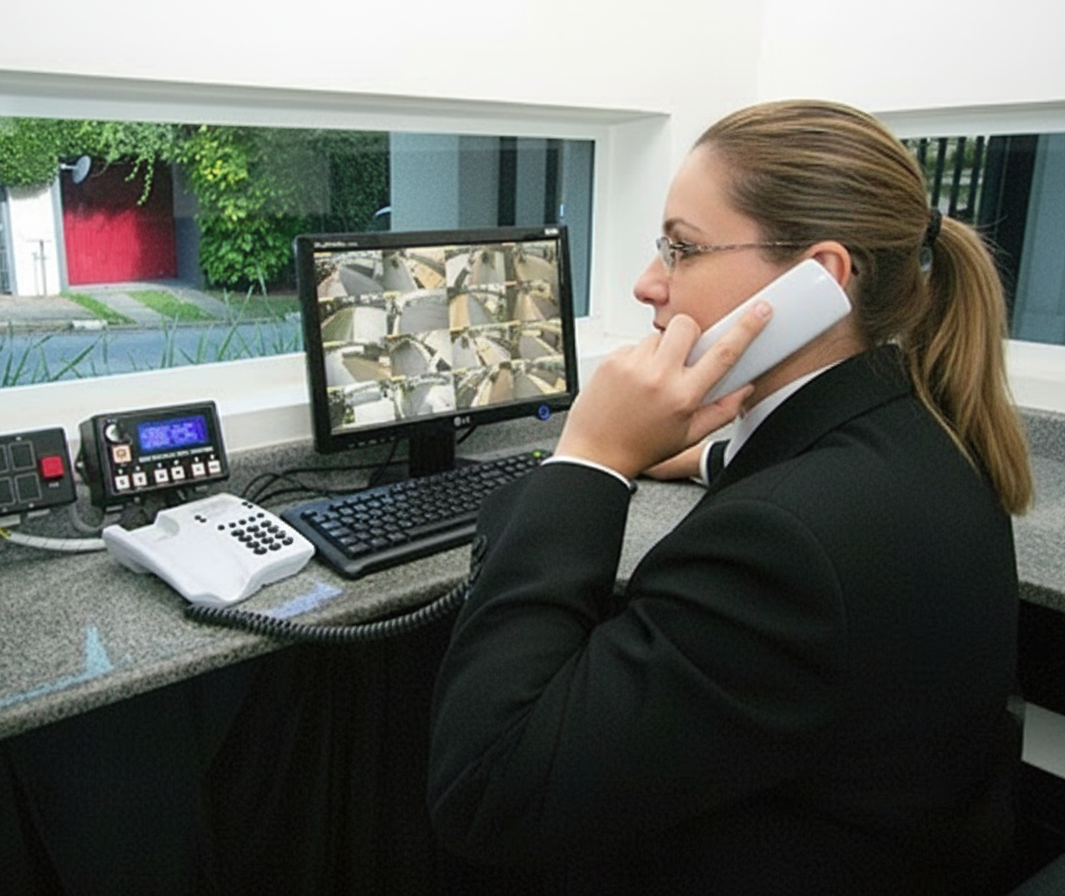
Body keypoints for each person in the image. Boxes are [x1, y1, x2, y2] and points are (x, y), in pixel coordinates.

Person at [427, 99, 1033, 896]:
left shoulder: (781, 542)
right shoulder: (925, 432)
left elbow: (487, 793)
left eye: (682, 249)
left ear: (821, 278)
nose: (649, 284)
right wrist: (714, 455)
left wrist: (591, 458)